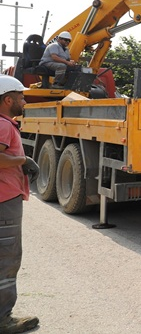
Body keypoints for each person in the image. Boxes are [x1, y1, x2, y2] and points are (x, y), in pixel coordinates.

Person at [0, 76, 40, 333]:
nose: (25, 101)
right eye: (21, 97)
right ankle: (3, 319)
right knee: (7, 260)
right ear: (8, 99)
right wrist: (22, 160)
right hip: (4, 201)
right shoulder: (3, 126)